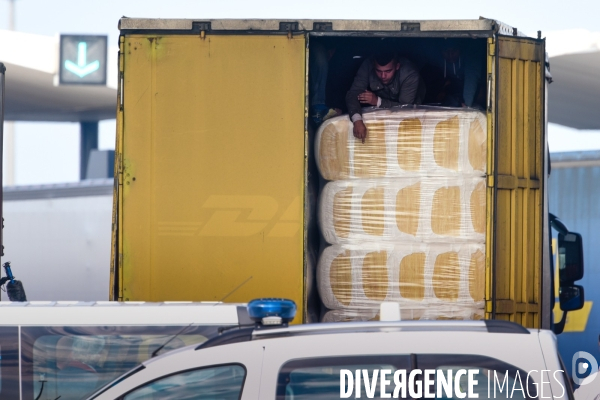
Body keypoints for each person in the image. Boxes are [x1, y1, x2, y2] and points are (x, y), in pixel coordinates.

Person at [345, 52, 425, 142]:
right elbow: (353, 93)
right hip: (381, 109)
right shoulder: (368, 65)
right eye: (378, 71)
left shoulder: (409, 73)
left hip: (411, 109)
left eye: (388, 71)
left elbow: (405, 108)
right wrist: (357, 120)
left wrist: (378, 101)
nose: (383, 76)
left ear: (397, 66)